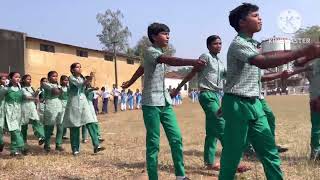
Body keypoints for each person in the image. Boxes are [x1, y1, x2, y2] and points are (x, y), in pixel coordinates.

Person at [219, 3, 320, 179]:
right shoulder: (238, 44)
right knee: (232, 155)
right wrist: (302, 51)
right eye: (255, 15)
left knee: (269, 151)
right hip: (238, 104)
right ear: (242, 22)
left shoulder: (252, 44)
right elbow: (262, 61)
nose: (260, 18)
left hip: (254, 103)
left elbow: (257, 72)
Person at [121, 22, 206, 180]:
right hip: (151, 103)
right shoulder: (150, 51)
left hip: (165, 102)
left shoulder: (155, 53)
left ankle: (180, 175)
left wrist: (130, 82)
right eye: (164, 33)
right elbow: (170, 60)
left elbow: (141, 69)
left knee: (176, 138)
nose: (168, 36)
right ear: (154, 36)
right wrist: (192, 61)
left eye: (168, 33)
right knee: (154, 142)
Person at [63, 63, 105, 155]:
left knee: (90, 122)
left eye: (80, 67)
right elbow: (79, 84)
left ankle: (96, 145)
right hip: (74, 102)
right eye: (77, 67)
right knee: (75, 126)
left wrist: (89, 80)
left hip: (84, 102)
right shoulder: (71, 78)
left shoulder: (82, 78)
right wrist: (89, 78)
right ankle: (75, 149)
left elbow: (85, 87)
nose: (80, 68)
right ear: (72, 70)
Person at [294, 57, 320, 160]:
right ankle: (316, 153)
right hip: (316, 98)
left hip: (314, 97)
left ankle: (315, 152)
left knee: (316, 127)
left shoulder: (312, 63)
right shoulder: (313, 63)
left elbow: (297, 64)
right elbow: (297, 63)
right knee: (316, 126)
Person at [4, 72, 26, 156]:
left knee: (16, 131)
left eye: (19, 77)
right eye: (16, 77)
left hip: (18, 112)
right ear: (10, 78)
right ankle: (21, 146)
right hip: (10, 112)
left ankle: (14, 151)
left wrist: (34, 98)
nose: (18, 79)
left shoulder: (20, 89)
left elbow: (24, 98)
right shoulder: (6, 89)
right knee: (15, 131)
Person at [42, 71, 64, 152]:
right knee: (49, 126)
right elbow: (57, 92)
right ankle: (47, 145)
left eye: (56, 76)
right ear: (49, 77)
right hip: (50, 104)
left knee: (60, 125)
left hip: (58, 104)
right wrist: (59, 89)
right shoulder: (46, 84)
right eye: (53, 76)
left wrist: (58, 89)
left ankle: (58, 144)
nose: (55, 78)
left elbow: (60, 93)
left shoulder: (57, 85)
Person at [20, 74, 45, 147]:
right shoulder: (21, 88)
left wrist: (38, 91)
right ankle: (23, 143)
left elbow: (34, 95)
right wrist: (34, 98)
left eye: (30, 79)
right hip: (24, 107)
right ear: (23, 80)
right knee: (24, 125)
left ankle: (41, 136)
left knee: (36, 121)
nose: (29, 80)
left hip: (32, 107)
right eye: (28, 79)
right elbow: (25, 97)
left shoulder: (32, 88)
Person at [59, 75, 69, 140]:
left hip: (67, 105)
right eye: (65, 80)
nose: (66, 81)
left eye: (67, 80)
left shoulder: (68, 88)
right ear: (61, 81)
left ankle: (64, 134)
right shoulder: (59, 88)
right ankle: (60, 134)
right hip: (61, 105)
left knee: (66, 120)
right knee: (61, 121)